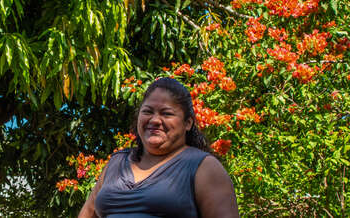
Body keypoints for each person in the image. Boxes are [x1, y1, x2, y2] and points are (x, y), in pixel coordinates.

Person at [78, 77, 239, 218]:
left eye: (166, 113)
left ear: (188, 123)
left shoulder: (204, 167)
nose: (155, 120)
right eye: (147, 111)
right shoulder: (116, 163)